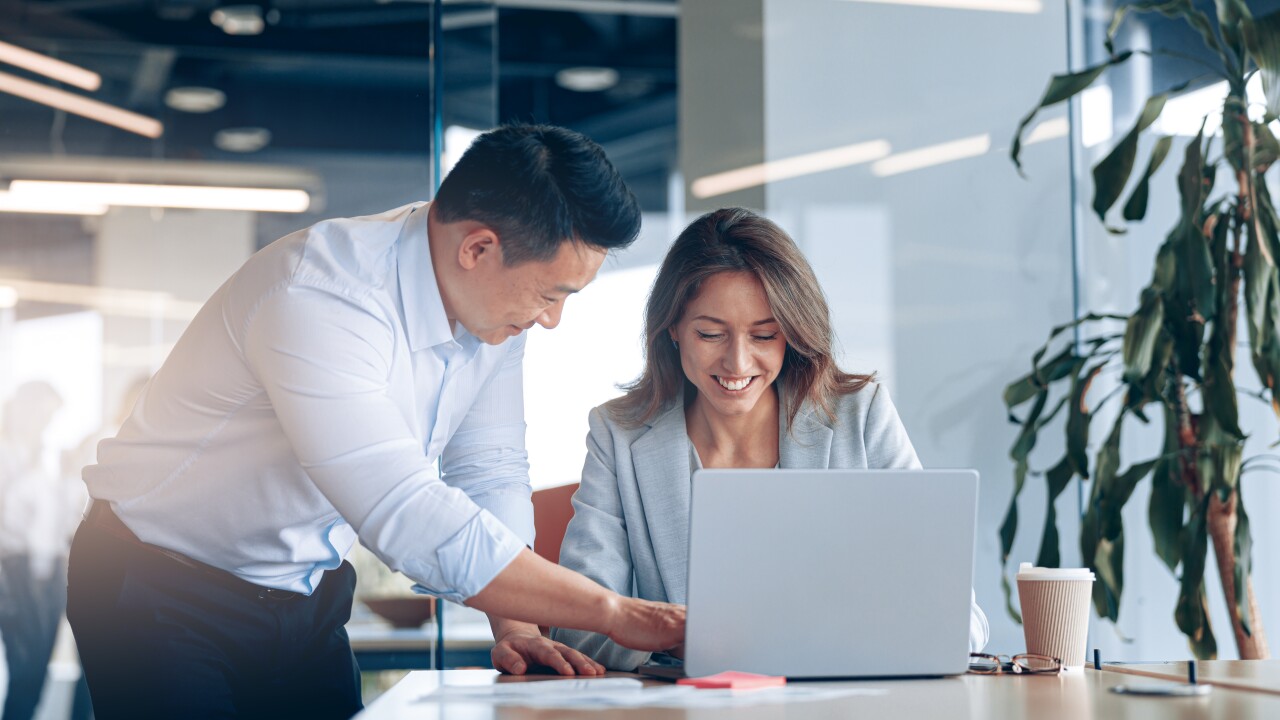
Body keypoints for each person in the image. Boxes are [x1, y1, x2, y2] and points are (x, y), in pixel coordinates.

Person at [67, 124, 685, 720]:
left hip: (304, 595)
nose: (551, 319)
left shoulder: (492, 306)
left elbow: (488, 466)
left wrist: (516, 624)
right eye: (551, 295)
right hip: (160, 587)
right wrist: (616, 613)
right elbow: (403, 510)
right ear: (478, 248)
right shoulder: (319, 295)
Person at [551, 207, 989, 670]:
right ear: (673, 328)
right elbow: (577, 627)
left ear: (793, 335)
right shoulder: (617, 435)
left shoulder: (861, 416)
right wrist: (679, 632)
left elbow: (962, 622)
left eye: (764, 335)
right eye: (710, 333)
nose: (738, 363)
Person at [0, 380, 77, 720]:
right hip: (16, 568)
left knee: (37, 667)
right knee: (26, 666)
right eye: (42, 413)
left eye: (50, 416)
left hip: (50, 569)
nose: (45, 422)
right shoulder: (6, 453)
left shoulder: (47, 456)